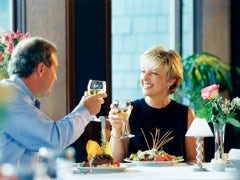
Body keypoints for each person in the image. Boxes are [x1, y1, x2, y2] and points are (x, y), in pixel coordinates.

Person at [0, 37, 107, 166]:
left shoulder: (15, 94)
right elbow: (53, 140)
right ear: (41, 69)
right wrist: (85, 110)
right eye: (55, 69)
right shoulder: (10, 98)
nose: (56, 78)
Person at [108, 45, 197, 163]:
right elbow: (115, 161)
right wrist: (116, 128)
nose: (145, 77)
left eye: (153, 73)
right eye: (143, 71)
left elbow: (194, 160)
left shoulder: (186, 114)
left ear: (171, 80)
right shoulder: (129, 111)